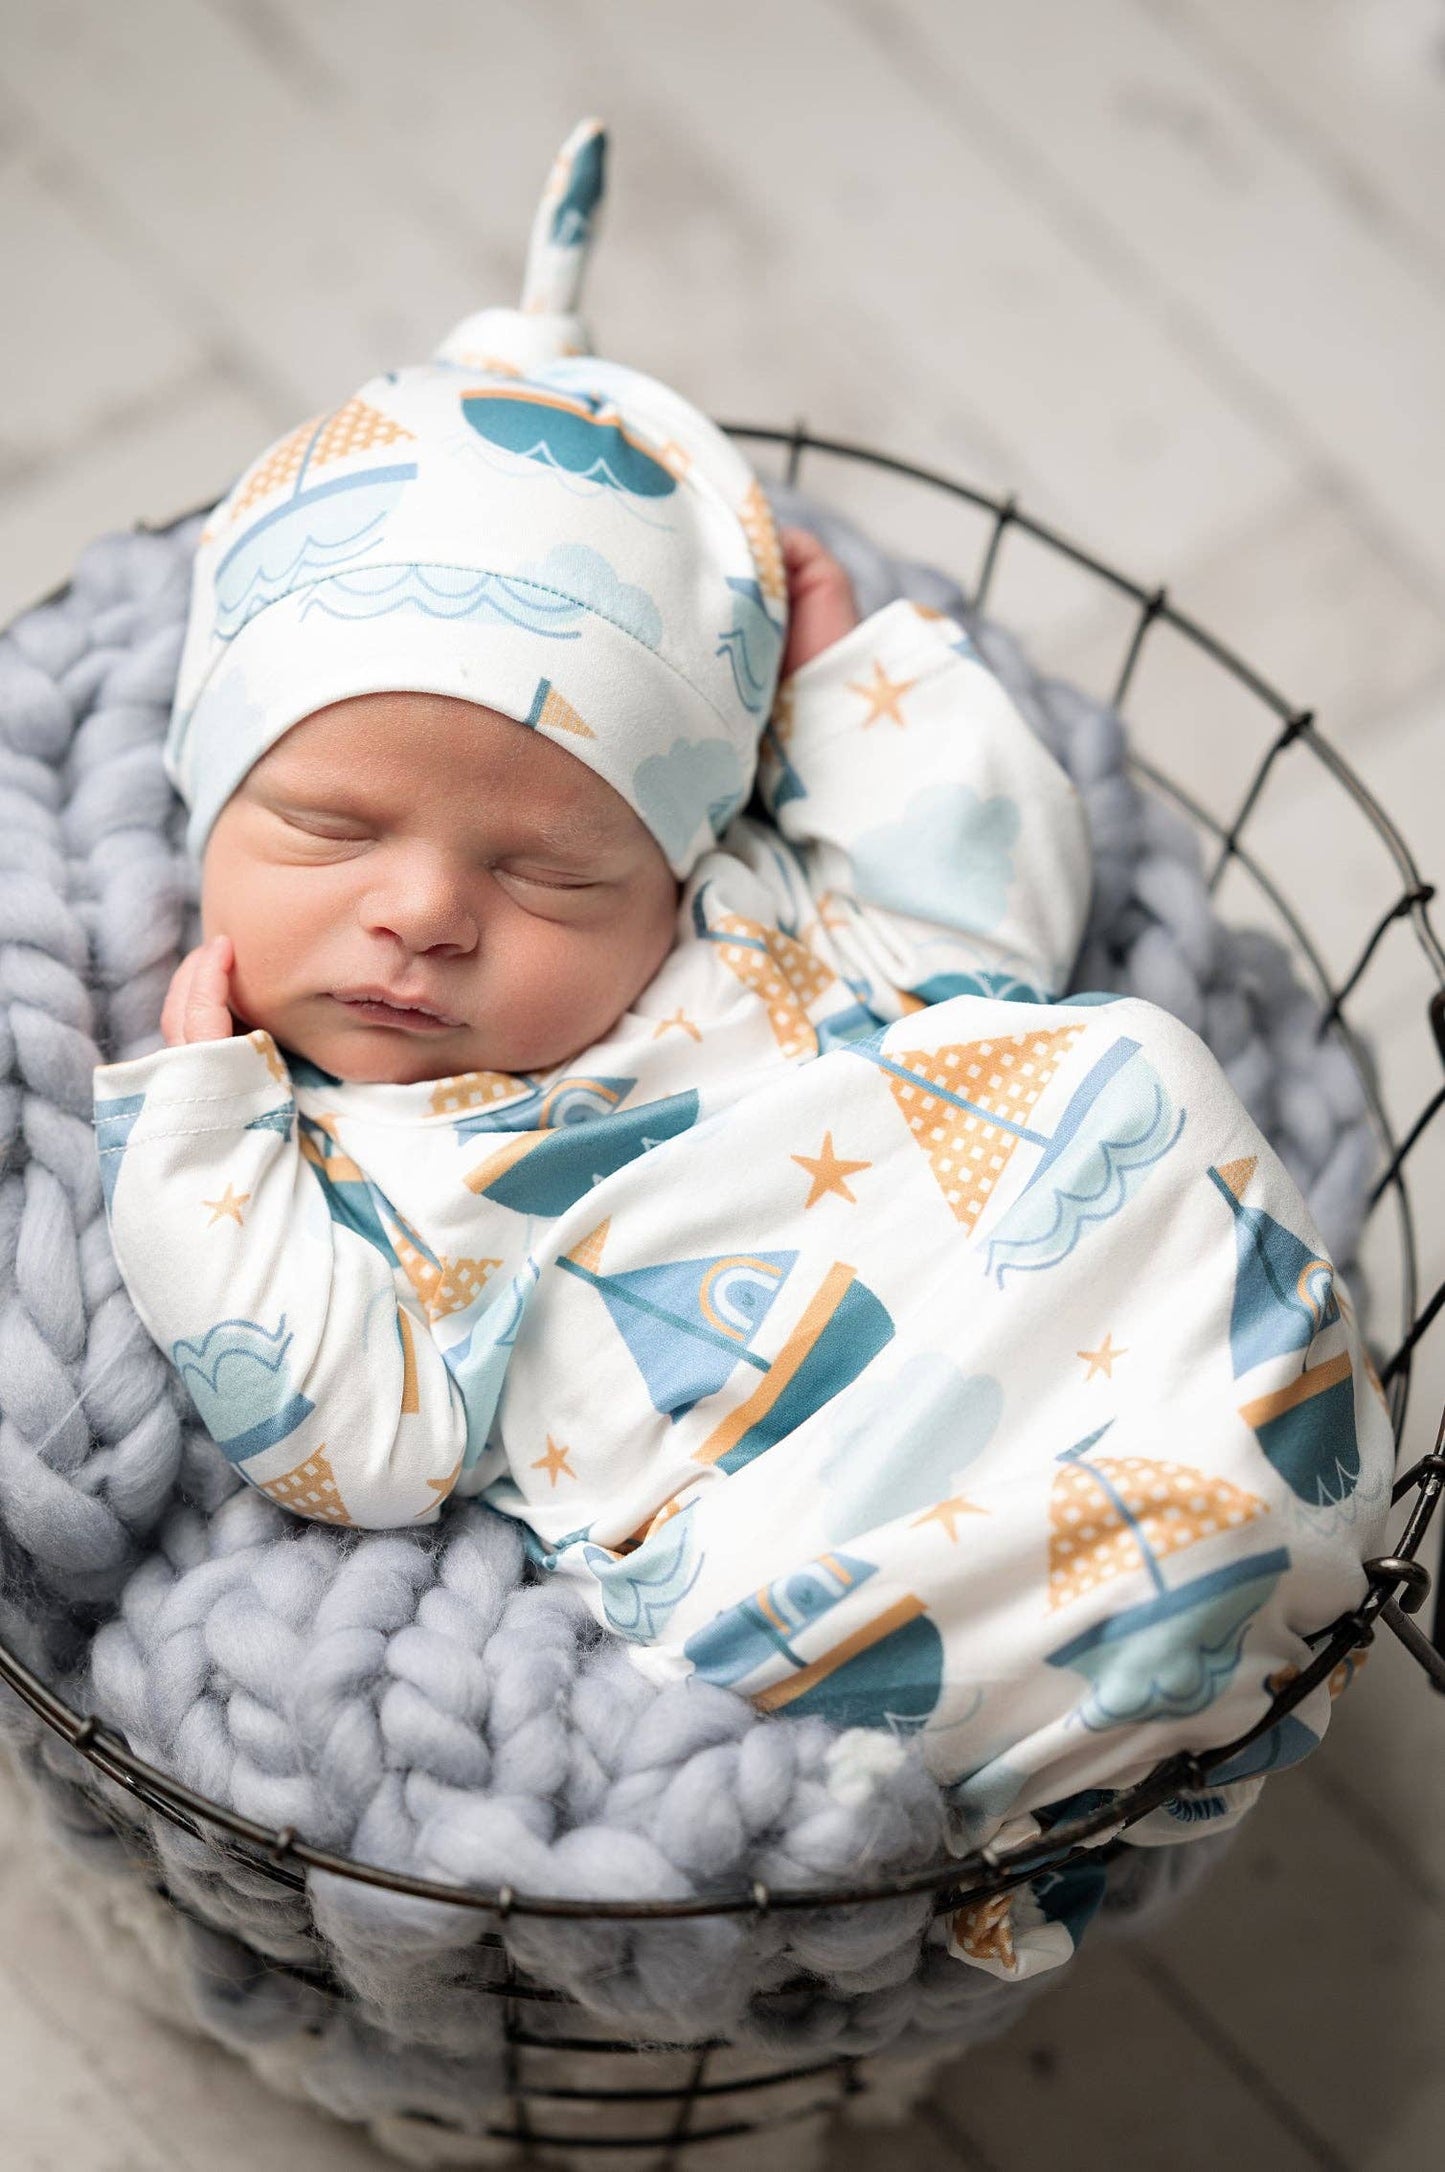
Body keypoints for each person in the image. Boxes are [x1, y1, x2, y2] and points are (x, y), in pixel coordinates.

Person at [93, 119, 1392, 1980]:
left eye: (549, 866)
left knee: (1128, 1067)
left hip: (1076, 1300)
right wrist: (197, 1147)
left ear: (686, 851)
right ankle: (1072, 1736)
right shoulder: (357, 1172)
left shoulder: (768, 918)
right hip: (823, 1525)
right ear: (206, 796)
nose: (427, 913)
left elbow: (991, 905)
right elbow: (344, 1442)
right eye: (323, 830)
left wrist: (862, 689)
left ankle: (1239, 1560)